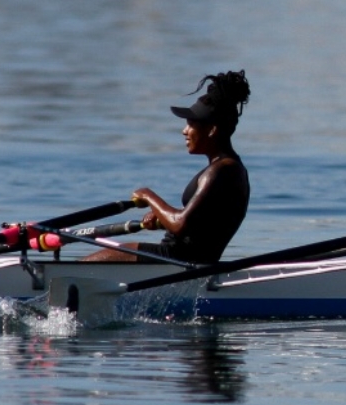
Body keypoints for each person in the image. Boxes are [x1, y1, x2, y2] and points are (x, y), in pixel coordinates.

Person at [83, 70, 251, 264]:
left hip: (178, 259)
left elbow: (179, 224)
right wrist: (162, 218)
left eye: (191, 125)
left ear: (212, 130)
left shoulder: (222, 171)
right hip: (185, 259)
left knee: (86, 265)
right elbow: (204, 224)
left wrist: (148, 196)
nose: (184, 131)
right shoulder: (229, 169)